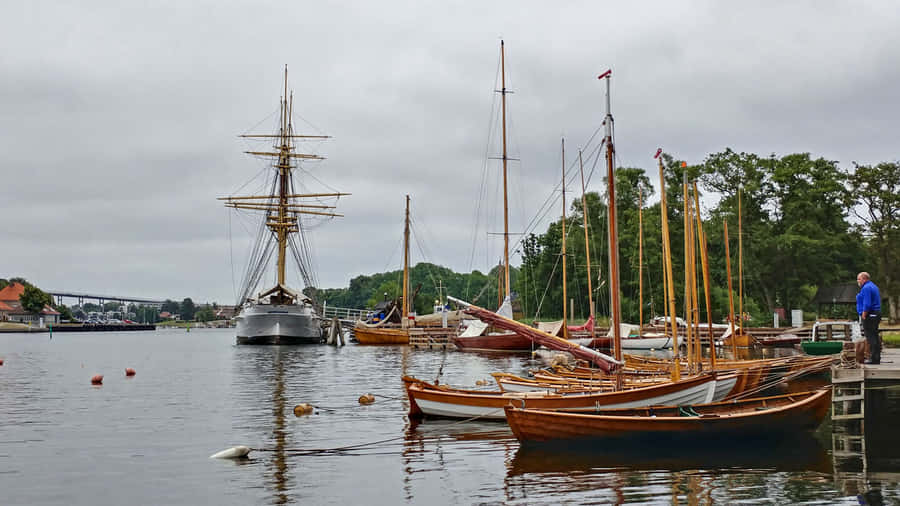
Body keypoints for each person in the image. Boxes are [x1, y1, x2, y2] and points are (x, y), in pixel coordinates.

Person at [856, 272, 882, 364]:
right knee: (874, 335)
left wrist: (864, 314)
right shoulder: (873, 286)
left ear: (865, 279)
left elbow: (867, 303)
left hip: (870, 314)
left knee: (871, 337)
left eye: (859, 279)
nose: (857, 281)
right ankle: (876, 358)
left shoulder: (866, 288)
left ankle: (873, 359)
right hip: (875, 314)